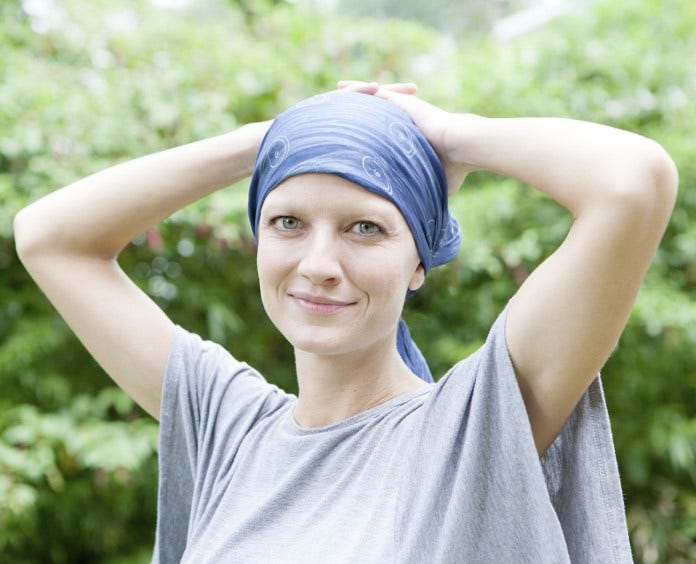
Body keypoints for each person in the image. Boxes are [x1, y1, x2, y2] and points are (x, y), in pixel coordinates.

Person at [13, 81, 677, 562]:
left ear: (419, 261)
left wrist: (448, 135)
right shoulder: (228, 429)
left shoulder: (475, 429)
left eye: (365, 228)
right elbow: (46, 236)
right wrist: (267, 141)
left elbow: (634, 180)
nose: (319, 264)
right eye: (288, 222)